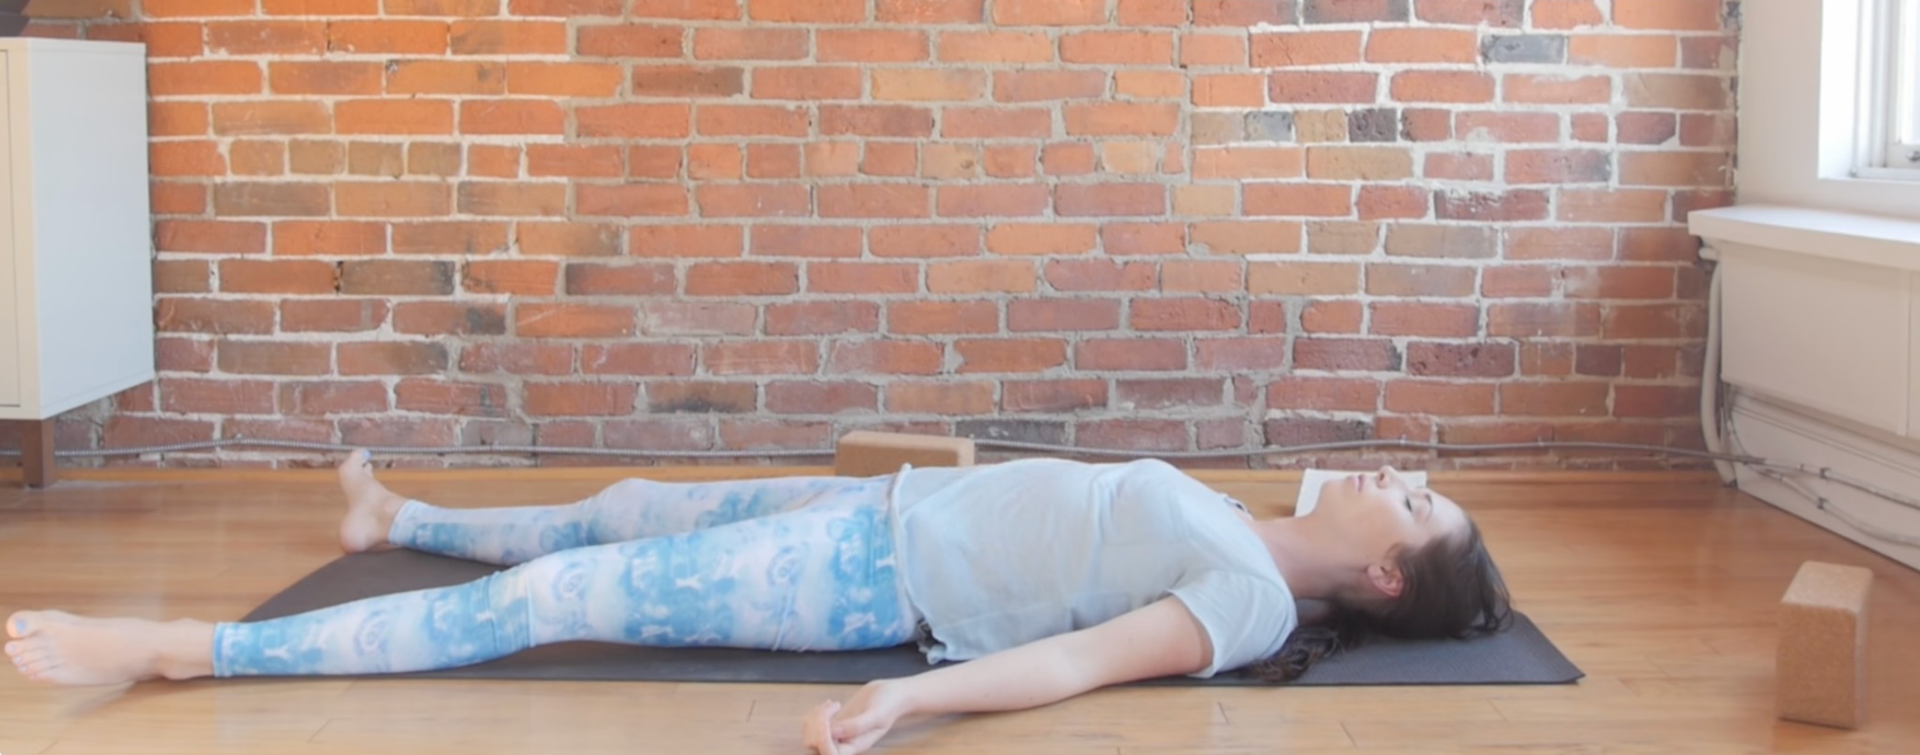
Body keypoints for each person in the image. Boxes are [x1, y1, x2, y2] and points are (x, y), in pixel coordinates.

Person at [5, 450, 1510, 755]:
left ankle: (189, 652)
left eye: (1419, 501)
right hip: (881, 503)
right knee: (623, 504)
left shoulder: (1246, 602)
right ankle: (397, 517)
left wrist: (910, 700)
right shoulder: (1255, 525)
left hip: (865, 578)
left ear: (1386, 575)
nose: (1400, 470)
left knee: (564, 597)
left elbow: (1073, 668)